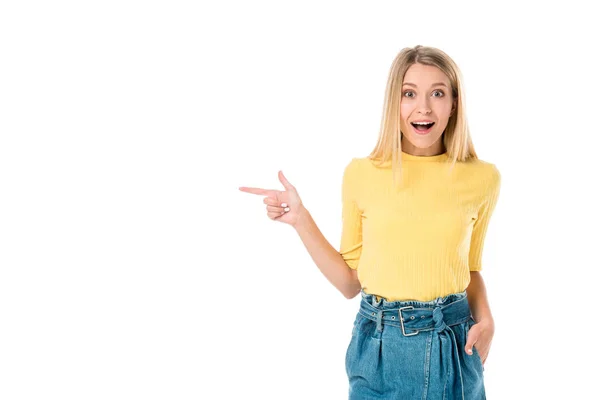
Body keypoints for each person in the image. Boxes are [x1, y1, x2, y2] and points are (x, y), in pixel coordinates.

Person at [239, 45, 500, 400]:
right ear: (395, 102)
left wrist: (487, 321)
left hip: (452, 346)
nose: (423, 107)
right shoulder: (362, 174)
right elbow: (350, 283)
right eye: (409, 94)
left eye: (437, 93)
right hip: (377, 348)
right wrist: (300, 219)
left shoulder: (482, 178)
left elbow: (470, 270)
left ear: (454, 103)